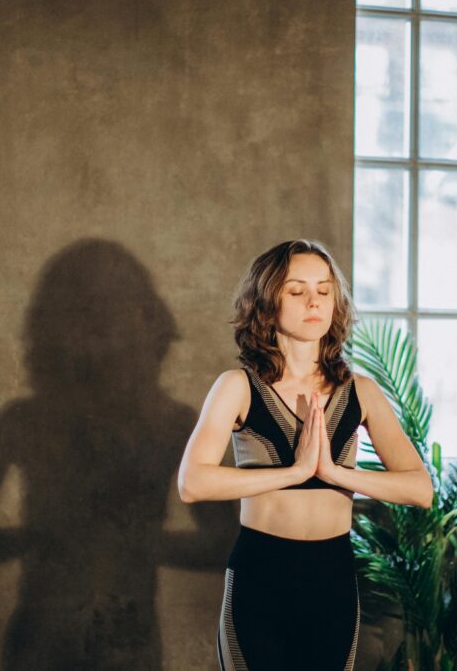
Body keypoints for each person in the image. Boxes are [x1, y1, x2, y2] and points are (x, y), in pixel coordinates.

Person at [177, 239, 434, 670]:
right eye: (296, 291)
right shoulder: (236, 387)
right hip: (261, 577)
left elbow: (420, 489)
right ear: (267, 302)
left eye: (325, 290)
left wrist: (335, 473)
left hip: (332, 577)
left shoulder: (362, 392)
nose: (313, 301)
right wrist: (294, 470)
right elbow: (192, 483)